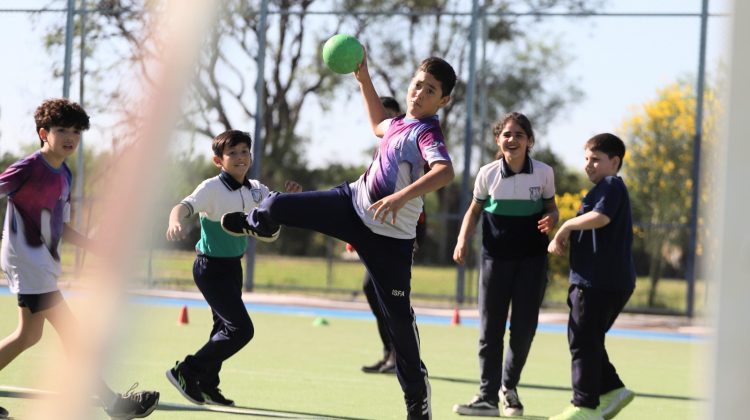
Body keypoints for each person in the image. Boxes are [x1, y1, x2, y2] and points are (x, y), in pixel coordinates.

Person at [220, 53, 457, 419]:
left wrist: (399, 196)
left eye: (430, 90)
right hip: (351, 204)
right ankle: (259, 223)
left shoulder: (428, 132)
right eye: (417, 84)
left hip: (390, 239)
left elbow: (444, 171)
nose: (419, 93)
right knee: (278, 204)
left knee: (398, 322)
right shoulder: (399, 123)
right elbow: (378, 122)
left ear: (443, 100)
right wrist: (364, 79)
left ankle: (416, 397)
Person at [0, 98, 159, 419]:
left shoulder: (65, 175)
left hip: (41, 264)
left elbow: (63, 226)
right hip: (26, 261)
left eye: (76, 131)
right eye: (62, 130)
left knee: (29, 335)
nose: (70, 137)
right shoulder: (29, 167)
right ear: (44, 133)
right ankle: (113, 404)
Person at [164, 130, 301, 406]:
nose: (240, 157)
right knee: (241, 330)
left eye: (244, 152)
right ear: (219, 160)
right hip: (209, 268)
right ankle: (186, 370)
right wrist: (175, 221)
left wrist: (289, 196)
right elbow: (182, 207)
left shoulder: (257, 190)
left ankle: (207, 384)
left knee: (223, 328)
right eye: (233, 153)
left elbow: (276, 207)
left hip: (232, 268)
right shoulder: (211, 188)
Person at [452, 112, 559, 417]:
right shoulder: (487, 173)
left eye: (519, 135)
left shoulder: (544, 173)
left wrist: (553, 217)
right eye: (507, 135)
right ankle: (486, 396)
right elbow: (474, 211)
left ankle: (508, 389)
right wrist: (461, 240)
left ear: (529, 141)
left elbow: (552, 207)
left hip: (532, 262)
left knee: (524, 330)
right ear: (498, 140)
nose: (512, 140)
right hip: (494, 261)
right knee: (490, 330)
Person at [547, 133, 636, 420]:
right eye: (586, 158)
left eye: (596, 159)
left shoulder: (610, 185)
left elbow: (602, 218)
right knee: (587, 338)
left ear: (615, 162)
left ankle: (585, 406)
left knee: (584, 339)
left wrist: (566, 227)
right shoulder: (601, 189)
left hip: (599, 281)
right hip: (598, 280)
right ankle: (613, 390)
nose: (589, 165)